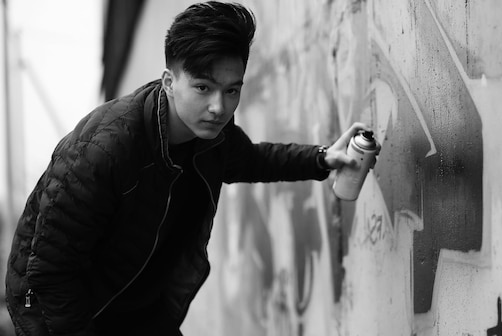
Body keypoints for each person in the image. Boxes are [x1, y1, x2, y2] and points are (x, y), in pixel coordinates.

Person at [4, 2, 375, 335]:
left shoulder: (211, 136)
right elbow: (51, 275)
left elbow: (252, 159)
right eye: (203, 88)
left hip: (139, 308)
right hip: (64, 312)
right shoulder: (103, 149)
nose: (219, 107)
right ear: (169, 81)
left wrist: (323, 157)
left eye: (232, 90)